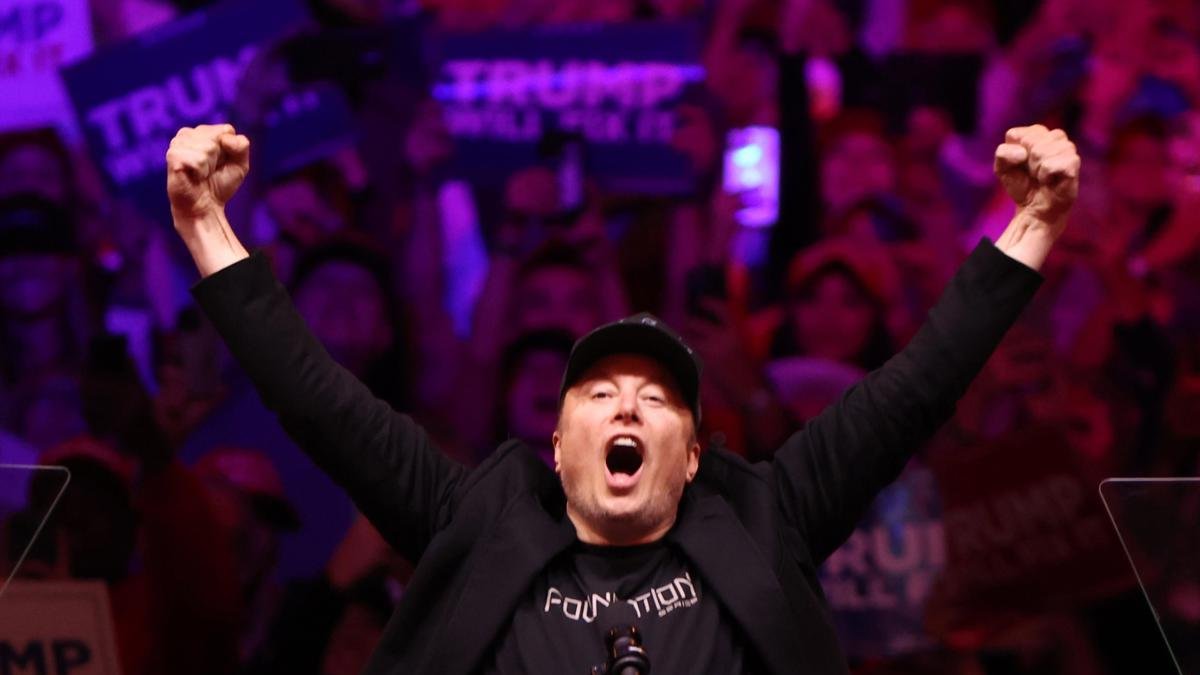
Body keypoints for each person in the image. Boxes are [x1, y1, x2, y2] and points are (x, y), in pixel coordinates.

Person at [164, 122, 1078, 673]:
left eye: (656, 396)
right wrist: (208, 226)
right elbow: (319, 400)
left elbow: (913, 388)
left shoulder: (766, 512)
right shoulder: (475, 514)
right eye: (598, 392)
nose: (629, 406)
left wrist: (1030, 224)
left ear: (692, 453)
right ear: (557, 447)